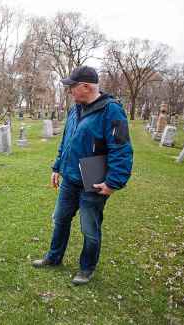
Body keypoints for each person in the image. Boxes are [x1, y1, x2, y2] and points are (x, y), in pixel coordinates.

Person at [32, 66, 133, 285]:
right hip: (70, 177)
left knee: (89, 228)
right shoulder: (74, 109)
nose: (70, 92)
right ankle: (54, 257)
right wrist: (57, 167)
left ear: (86, 87)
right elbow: (66, 142)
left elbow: (121, 147)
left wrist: (114, 182)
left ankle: (86, 268)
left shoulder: (112, 111)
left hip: (94, 178)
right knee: (60, 219)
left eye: (72, 87)